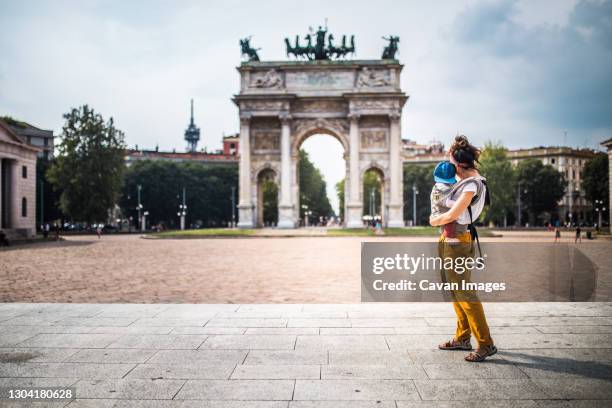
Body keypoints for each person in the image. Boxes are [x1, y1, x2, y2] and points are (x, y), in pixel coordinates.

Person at [429, 135, 497, 362]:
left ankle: (486, 343)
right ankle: (463, 337)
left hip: (458, 240)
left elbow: (452, 214)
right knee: (454, 290)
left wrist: (432, 220)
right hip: (451, 240)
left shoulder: (472, 184)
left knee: (464, 292)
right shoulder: (466, 182)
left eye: (450, 162)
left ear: (458, 164)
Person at [430, 161, 460, 243]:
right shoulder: (440, 188)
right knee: (449, 220)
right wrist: (461, 204)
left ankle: (447, 235)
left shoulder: (442, 185)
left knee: (450, 219)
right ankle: (449, 237)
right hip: (439, 211)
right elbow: (446, 202)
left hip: (440, 209)